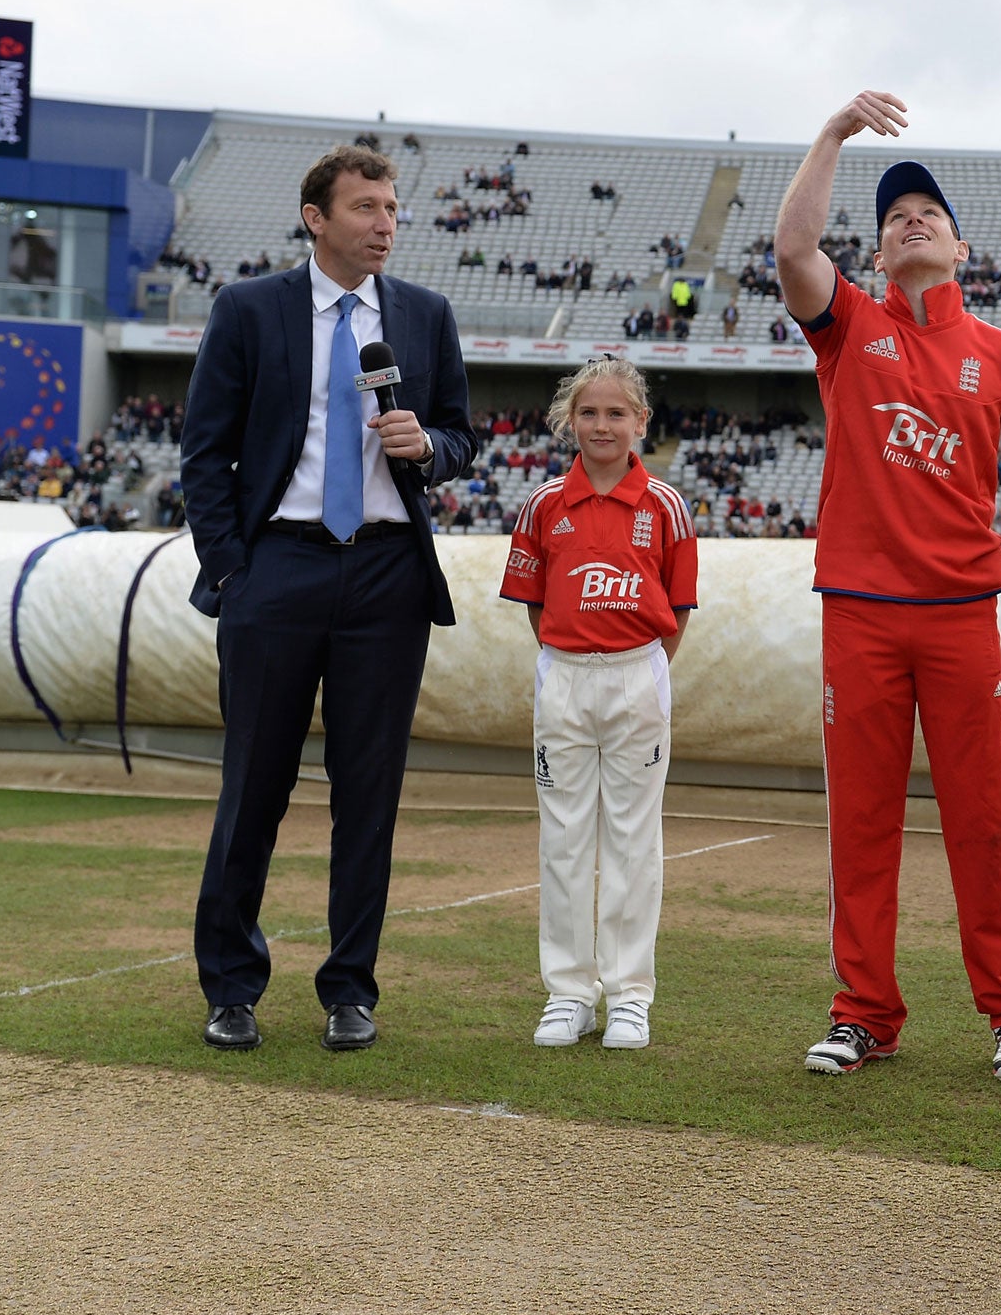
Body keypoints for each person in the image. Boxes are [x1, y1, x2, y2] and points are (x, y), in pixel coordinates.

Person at [776, 90, 1001, 1085]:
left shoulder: (999, 354)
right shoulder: (848, 325)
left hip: (958, 620)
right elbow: (790, 251)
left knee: (983, 821)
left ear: (959, 252)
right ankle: (864, 1013)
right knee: (859, 825)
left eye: (930, 216)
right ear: (875, 256)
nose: (910, 220)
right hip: (858, 617)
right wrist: (831, 135)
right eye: (893, 218)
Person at [180, 144, 478, 1055]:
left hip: (388, 575)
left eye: (392, 208)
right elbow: (204, 453)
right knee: (253, 790)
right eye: (365, 208)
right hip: (278, 572)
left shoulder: (424, 316)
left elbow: (464, 438)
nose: (385, 223)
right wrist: (236, 572)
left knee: (370, 795)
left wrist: (424, 445)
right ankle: (231, 987)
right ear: (317, 218)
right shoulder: (249, 310)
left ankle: (350, 989)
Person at [499, 357, 697, 1051]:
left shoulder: (666, 506)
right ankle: (569, 993)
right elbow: (532, 605)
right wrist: (571, 658)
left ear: (641, 422)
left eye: (617, 413)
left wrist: (632, 668)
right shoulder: (543, 504)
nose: (603, 425)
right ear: (567, 421)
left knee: (633, 843)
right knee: (564, 839)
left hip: (637, 674)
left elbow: (679, 609)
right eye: (590, 413)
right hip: (563, 679)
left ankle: (629, 996)